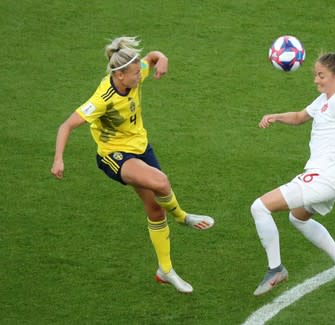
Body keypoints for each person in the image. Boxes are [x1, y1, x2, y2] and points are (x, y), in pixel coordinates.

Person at [51, 36, 214, 294]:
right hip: (114, 156)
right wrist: (58, 158)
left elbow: (152, 57)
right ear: (121, 75)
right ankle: (183, 217)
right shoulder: (103, 98)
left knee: (155, 210)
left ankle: (165, 270)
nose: (140, 77)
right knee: (161, 182)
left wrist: (163, 59)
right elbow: (67, 125)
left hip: (141, 148)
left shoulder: (135, 74)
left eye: (140, 72)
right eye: (136, 74)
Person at [251, 51, 335, 296]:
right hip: (328, 177)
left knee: (259, 207)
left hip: (325, 177)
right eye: (315, 74)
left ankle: (276, 269)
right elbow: (299, 117)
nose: (316, 80)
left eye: (321, 75)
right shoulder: (326, 98)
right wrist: (276, 116)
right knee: (298, 218)